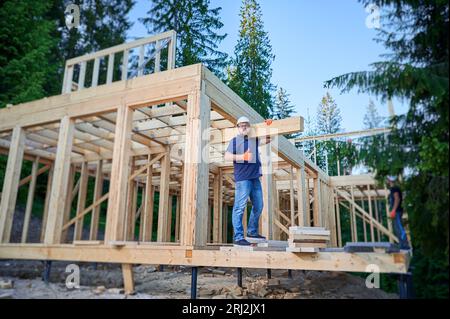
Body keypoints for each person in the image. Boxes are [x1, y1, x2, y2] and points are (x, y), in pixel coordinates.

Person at [224, 116, 271, 246]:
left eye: (246, 125)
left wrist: (268, 126)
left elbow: (268, 139)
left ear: (249, 127)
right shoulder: (235, 141)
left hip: (255, 177)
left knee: (259, 205)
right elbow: (226, 156)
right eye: (241, 125)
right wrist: (242, 157)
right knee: (239, 207)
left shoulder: (253, 140)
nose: (244, 127)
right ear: (238, 128)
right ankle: (238, 237)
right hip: (243, 179)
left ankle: (252, 232)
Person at [387, 176, 410, 250]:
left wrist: (393, 210)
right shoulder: (393, 189)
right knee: (397, 228)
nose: (387, 181)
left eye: (387, 179)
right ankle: (402, 244)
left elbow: (397, 199)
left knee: (399, 228)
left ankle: (404, 244)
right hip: (396, 211)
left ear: (389, 180)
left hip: (397, 211)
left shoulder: (394, 189)